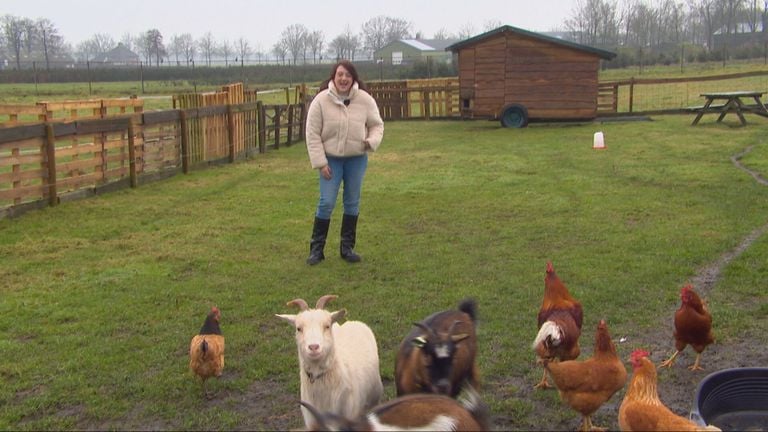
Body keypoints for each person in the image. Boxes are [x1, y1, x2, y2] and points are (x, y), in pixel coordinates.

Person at [304, 60, 384, 265]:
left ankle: (347, 248)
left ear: (353, 78)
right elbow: (312, 133)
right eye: (340, 74)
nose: (343, 78)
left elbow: (377, 125)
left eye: (347, 75)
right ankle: (316, 250)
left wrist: (371, 142)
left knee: (352, 201)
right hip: (330, 160)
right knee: (327, 202)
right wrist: (321, 163)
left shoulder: (365, 100)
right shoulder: (321, 101)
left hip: (356, 159)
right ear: (334, 76)